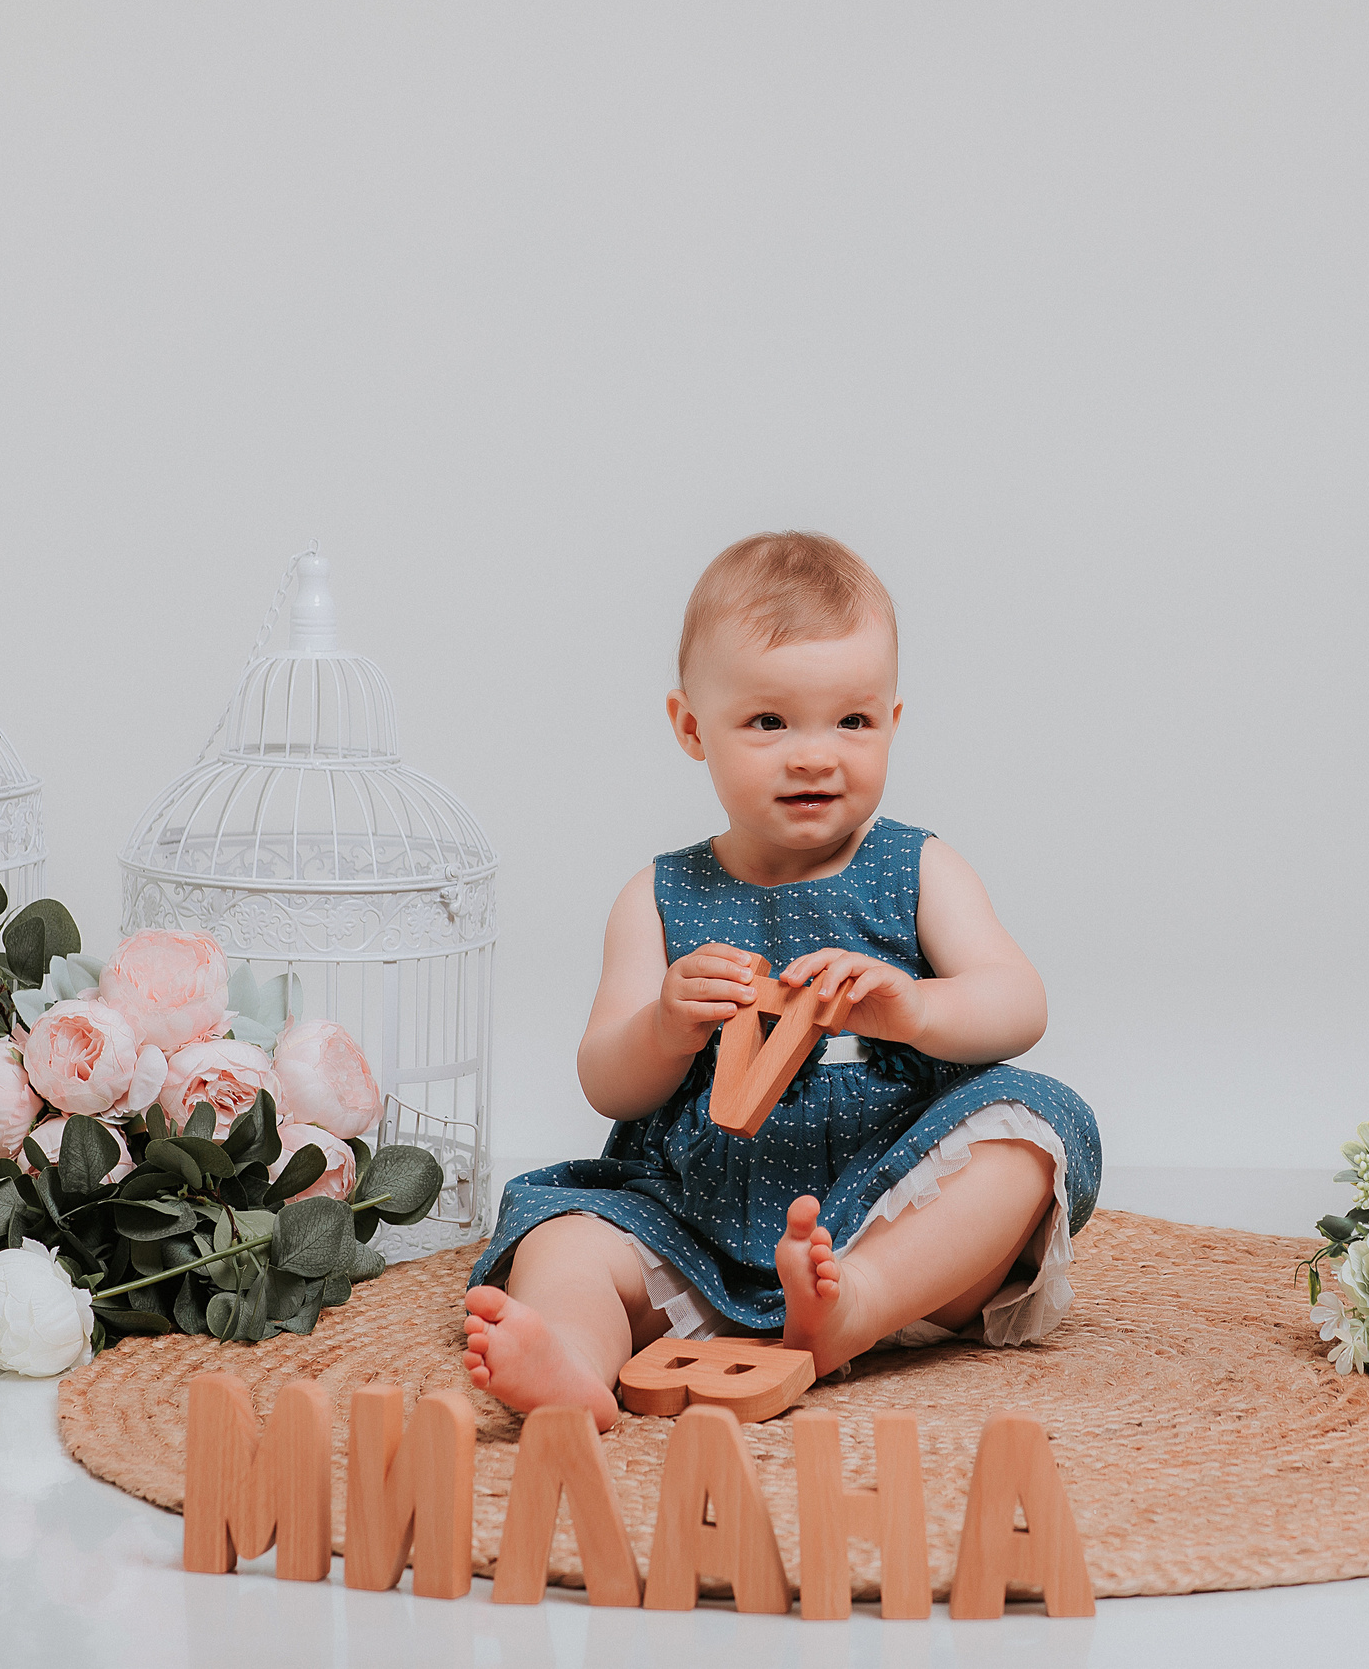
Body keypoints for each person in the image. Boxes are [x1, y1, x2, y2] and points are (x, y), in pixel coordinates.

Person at [461, 532, 1101, 1428]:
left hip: (895, 1200)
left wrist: (914, 1006)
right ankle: (573, 1353)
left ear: (893, 720)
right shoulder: (657, 895)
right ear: (692, 727)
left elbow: (1017, 1004)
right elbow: (605, 1076)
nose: (814, 755)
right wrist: (663, 1027)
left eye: (853, 720)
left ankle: (858, 1302)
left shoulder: (920, 869)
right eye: (769, 722)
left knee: (1032, 1129)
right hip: (695, 1212)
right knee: (564, 1237)